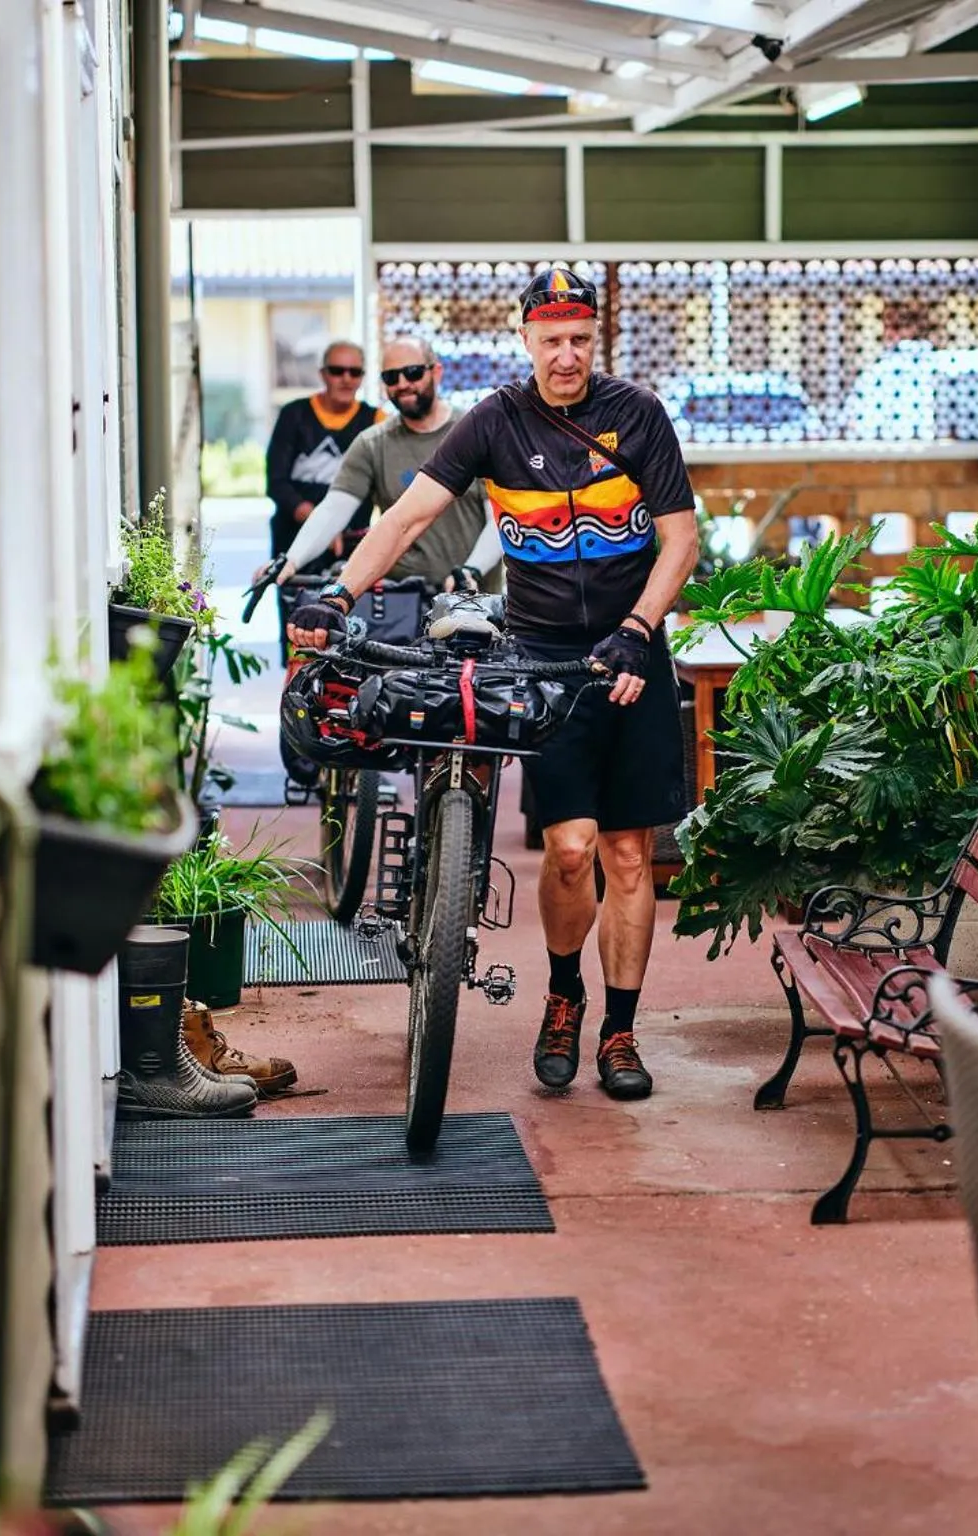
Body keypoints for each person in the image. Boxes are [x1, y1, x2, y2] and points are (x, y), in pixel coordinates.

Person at [288, 264, 699, 1103]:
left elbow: (681, 539)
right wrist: (339, 595)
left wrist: (638, 630)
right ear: (526, 341)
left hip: (629, 657)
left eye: (579, 339)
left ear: (595, 338)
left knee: (629, 855)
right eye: (551, 341)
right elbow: (407, 515)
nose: (566, 355)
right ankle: (564, 995)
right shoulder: (496, 422)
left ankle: (620, 1030)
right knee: (571, 848)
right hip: (543, 663)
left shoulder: (638, 415)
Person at [264, 336, 503, 593]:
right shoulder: (372, 444)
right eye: (391, 377)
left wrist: (471, 571)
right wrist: (291, 560)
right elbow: (334, 508)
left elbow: (501, 518)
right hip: (402, 600)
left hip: (474, 601)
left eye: (413, 373)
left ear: (436, 372)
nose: (402, 384)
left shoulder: (476, 434)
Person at [265, 339, 382, 578]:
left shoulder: (377, 421)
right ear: (323, 374)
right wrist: (320, 526)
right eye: (337, 371)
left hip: (351, 547)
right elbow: (276, 482)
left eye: (355, 372)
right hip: (294, 541)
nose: (346, 379)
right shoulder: (293, 415)